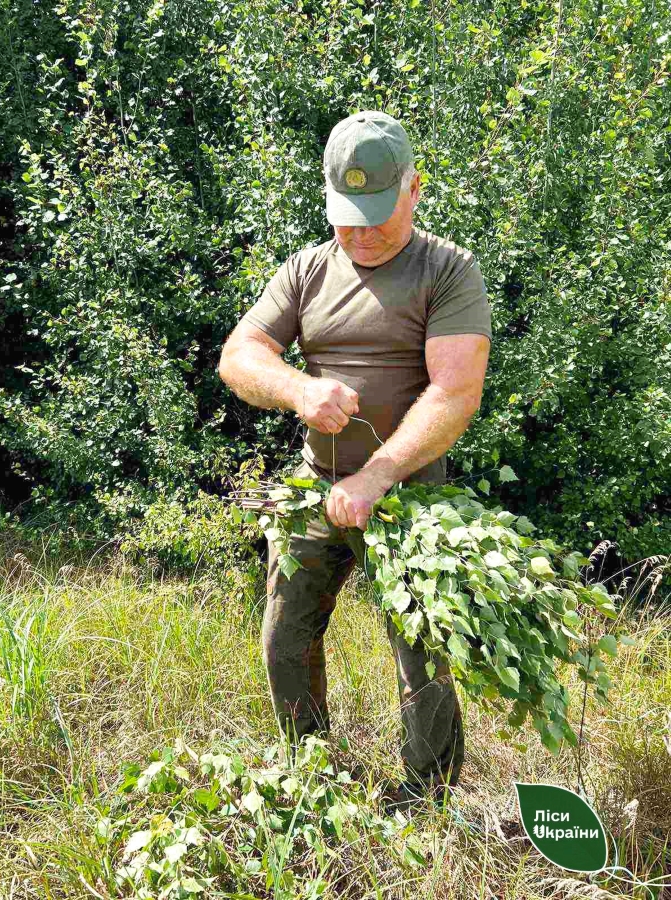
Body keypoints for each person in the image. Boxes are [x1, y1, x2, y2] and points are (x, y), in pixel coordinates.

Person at [218, 110, 492, 810]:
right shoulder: (306, 270)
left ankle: (422, 800)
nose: (363, 234)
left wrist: (376, 476)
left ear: (413, 190)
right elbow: (239, 356)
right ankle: (313, 772)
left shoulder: (447, 270)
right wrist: (298, 388)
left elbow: (455, 392)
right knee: (284, 640)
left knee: (421, 656)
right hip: (313, 490)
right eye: (347, 218)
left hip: (411, 498)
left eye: (378, 217)